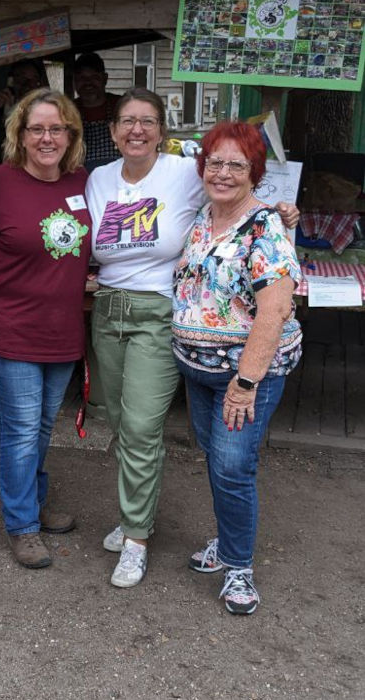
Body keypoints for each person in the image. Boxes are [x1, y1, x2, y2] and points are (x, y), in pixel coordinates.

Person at [85, 87, 299, 590]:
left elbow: (253, 216)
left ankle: (142, 538)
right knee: (121, 422)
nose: (136, 129)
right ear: (112, 131)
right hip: (118, 313)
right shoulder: (102, 180)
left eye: (148, 121)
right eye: (126, 121)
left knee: (153, 432)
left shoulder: (186, 174)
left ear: (163, 131)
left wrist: (283, 214)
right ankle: (151, 518)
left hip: (168, 323)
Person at [172, 121, 302, 614]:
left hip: (244, 376)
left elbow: (274, 310)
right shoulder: (206, 217)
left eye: (236, 164)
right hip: (198, 370)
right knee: (216, 457)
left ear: (255, 173)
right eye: (215, 162)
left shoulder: (264, 226)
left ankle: (239, 569)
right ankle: (226, 544)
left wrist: (245, 384)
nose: (223, 172)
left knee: (232, 467)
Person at [0, 88, 90, 568]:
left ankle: (34, 504)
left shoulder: (83, 182)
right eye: (36, 128)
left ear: (70, 136)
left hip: (63, 332)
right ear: (19, 135)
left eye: (56, 128)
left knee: (43, 426)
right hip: (11, 329)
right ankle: (21, 524)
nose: (47, 137)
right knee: (21, 430)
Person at [0, 59, 48, 178]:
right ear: (11, 80)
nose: (28, 84)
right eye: (22, 77)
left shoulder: (44, 111)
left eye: (33, 78)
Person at [73, 52, 120, 172]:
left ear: (105, 79)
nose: (88, 83)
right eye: (82, 78)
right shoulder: (68, 109)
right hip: (81, 178)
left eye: (94, 77)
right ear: (74, 81)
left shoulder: (120, 105)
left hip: (119, 175)